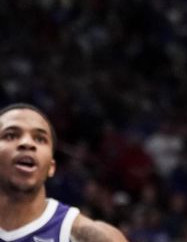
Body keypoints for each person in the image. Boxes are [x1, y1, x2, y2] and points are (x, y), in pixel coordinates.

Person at [0, 103, 127, 242]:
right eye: (11, 135)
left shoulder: (93, 236)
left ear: (51, 167)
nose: (27, 143)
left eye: (40, 139)